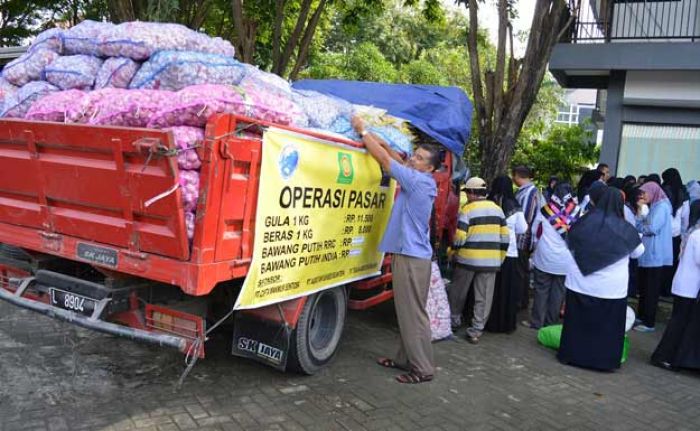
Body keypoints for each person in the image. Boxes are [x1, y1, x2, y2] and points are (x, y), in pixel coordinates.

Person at [352, 116, 440, 384]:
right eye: (416, 155)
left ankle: (423, 369)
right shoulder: (419, 178)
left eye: (421, 159)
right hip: (414, 256)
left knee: (413, 314)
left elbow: (387, 162)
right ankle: (405, 359)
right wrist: (382, 142)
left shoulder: (420, 182)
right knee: (408, 311)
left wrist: (364, 131)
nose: (415, 159)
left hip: (412, 259)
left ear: (431, 168)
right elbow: (399, 161)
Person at [559, 188, 644, 371]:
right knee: (605, 329)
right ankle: (603, 362)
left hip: (580, 284)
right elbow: (638, 252)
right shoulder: (626, 229)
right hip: (610, 288)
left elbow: (568, 243)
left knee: (578, 324)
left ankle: (572, 355)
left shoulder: (582, 222)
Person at [449, 177, 509, 344]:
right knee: (484, 296)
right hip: (491, 262)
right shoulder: (498, 210)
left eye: (467, 192)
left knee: (458, 292)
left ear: (473, 193)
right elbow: (505, 238)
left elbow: (460, 237)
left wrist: (452, 251)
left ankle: (454, 321)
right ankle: (476, 331)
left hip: (468, 259)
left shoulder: (467, 210)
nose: (467, 195)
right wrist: (499, 258)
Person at [522, 183, 581, 329]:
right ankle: (550, 323)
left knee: (541, 290)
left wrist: (535, 246)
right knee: (559, 293)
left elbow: (535, 231)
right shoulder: (577, 212)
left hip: (544, 257)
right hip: (565, 260)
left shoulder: (545, 210)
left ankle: (536, 322)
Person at [650, 201, 700, 371]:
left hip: (688, 286)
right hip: (687, 287)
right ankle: (662, 356)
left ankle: (672, 356)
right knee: (678, 323)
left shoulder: (693, 232)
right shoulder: (697, 235)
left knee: (681, 323)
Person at [485, 175, 527, 333]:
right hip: (509, 253)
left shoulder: (489, 202)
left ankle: (486, 321)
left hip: (489, 251)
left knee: (489, 289)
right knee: (506, 290)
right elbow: (523, 229)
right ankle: (504, 324)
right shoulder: (514, 206)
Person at [635, 181, 673, 332]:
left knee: (651, 290)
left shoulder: (662, 207)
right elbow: (641, 225)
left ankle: (649, 322)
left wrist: (642, 221)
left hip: (656, 255)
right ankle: (642, 316)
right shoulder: (655, 206)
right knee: (644, 288)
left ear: (653, 191)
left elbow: (651, 228)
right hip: (649, 253)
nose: (642, 196)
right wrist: (640, 212)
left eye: (645, 193)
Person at [512, 166, 541, 310]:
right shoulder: (528, 191)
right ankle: (521, 301)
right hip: (524, 238)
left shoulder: (529, 193)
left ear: (517, 176)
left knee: (520, 272)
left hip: (522, 239)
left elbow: (526, 218)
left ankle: (519, 302)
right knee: (521, 272)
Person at [661, 168, 690, 297]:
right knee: (672, 263)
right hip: (676, 233)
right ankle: (667, 290)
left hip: (661, 233)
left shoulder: (662, 191)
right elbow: (686, 217)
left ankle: (658, 288)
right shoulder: (684, 193)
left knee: (659, 263)